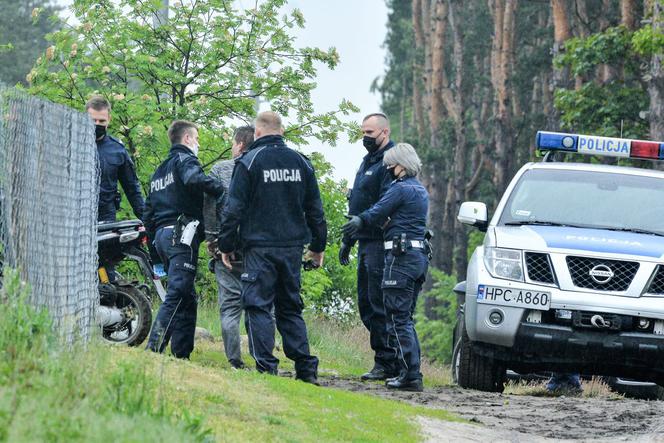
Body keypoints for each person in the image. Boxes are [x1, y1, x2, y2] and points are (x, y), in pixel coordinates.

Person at [218, 111, 326, 385]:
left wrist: (226, 245)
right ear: (282, 131)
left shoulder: (249, 161)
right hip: (291, 247)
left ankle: (267, 368)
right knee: (290, 307)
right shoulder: (302, 162)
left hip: (259, 248)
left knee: (258, 306)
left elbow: (234, 209)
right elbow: (315, 210)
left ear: (257, 132)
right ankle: (305, 368)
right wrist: (317, 246)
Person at [343, 143, 429, 392]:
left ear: (402, 165)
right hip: (418, 258)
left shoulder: (400, 189)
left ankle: (409, 375)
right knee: (406, 318)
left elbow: (377, 211)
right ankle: (411, 371)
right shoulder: (420, 190)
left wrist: (360, 220)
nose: (389, 168)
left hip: (400, 260)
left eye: (391, 164)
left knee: (396, 318)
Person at [144, 120, 224, 359]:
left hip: (161, 237)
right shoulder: (185, 160)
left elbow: (147, 215)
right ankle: (154, 347)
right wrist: (220, 188)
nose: (198, 143)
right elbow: (193, 179)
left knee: (188, 295)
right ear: (187, 139)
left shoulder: (158, 172)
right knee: (178, 292)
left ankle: (181, 354)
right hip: (182, 234)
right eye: (196, 139)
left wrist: (155, 254)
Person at [339, 112, 397, 381]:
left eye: (370, 134)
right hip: (364, 241)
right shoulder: (367, 161)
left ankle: (388, 361)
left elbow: (385, 205)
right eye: (363, 133)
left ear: (384, 133)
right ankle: (387, 358)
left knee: (378, 303)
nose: (365, 138)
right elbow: (358, 203)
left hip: (380, 243)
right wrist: (347, 240)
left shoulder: (391, 162)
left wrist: (362, 224)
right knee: (365, 302)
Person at [203, 125, 255, 369]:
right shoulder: (261, 169)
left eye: (234, 143)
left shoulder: (220, 169)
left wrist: (211, 239)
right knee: (258, 304)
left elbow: (210, 208)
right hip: (256, 247)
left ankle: (235, 359)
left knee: (230, 307)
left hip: (226, 246)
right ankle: (261, 356)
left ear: (240, 144)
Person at [86, 95, 144, 222]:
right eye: (93, 120)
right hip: (76, 214)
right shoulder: (71, 145)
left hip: (106, 215)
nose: (97, 124)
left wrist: (147, 222)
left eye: (101, 121)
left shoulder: (117, 150)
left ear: (109, 119)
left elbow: (132, 188)